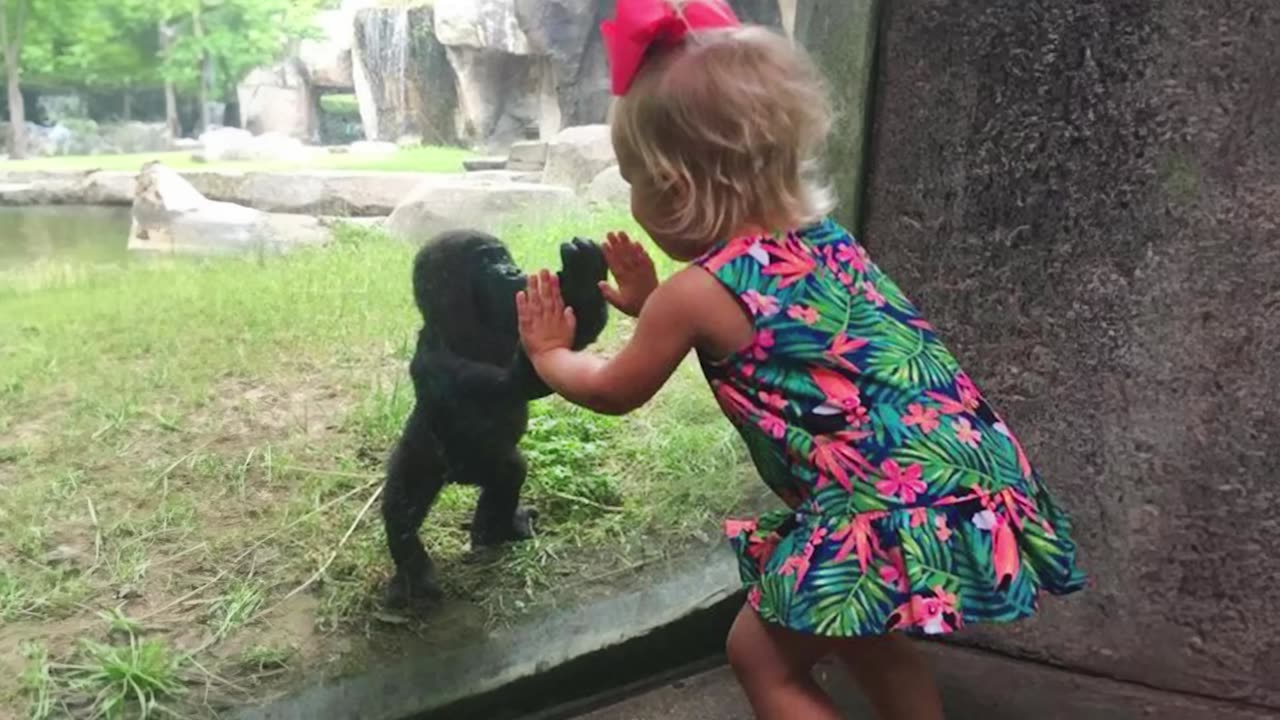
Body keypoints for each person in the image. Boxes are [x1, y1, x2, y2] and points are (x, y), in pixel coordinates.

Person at [516, 1, 1086, 718]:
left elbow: (612, 389)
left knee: (759, 657)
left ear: (675, 189)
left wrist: (548, 354)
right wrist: (651, 305)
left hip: (877, 504)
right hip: (964, 468)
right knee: (864, 634)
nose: (631, 199)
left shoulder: (695, 296)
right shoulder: (823, 242)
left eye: (634, 178)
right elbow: (773, 331)